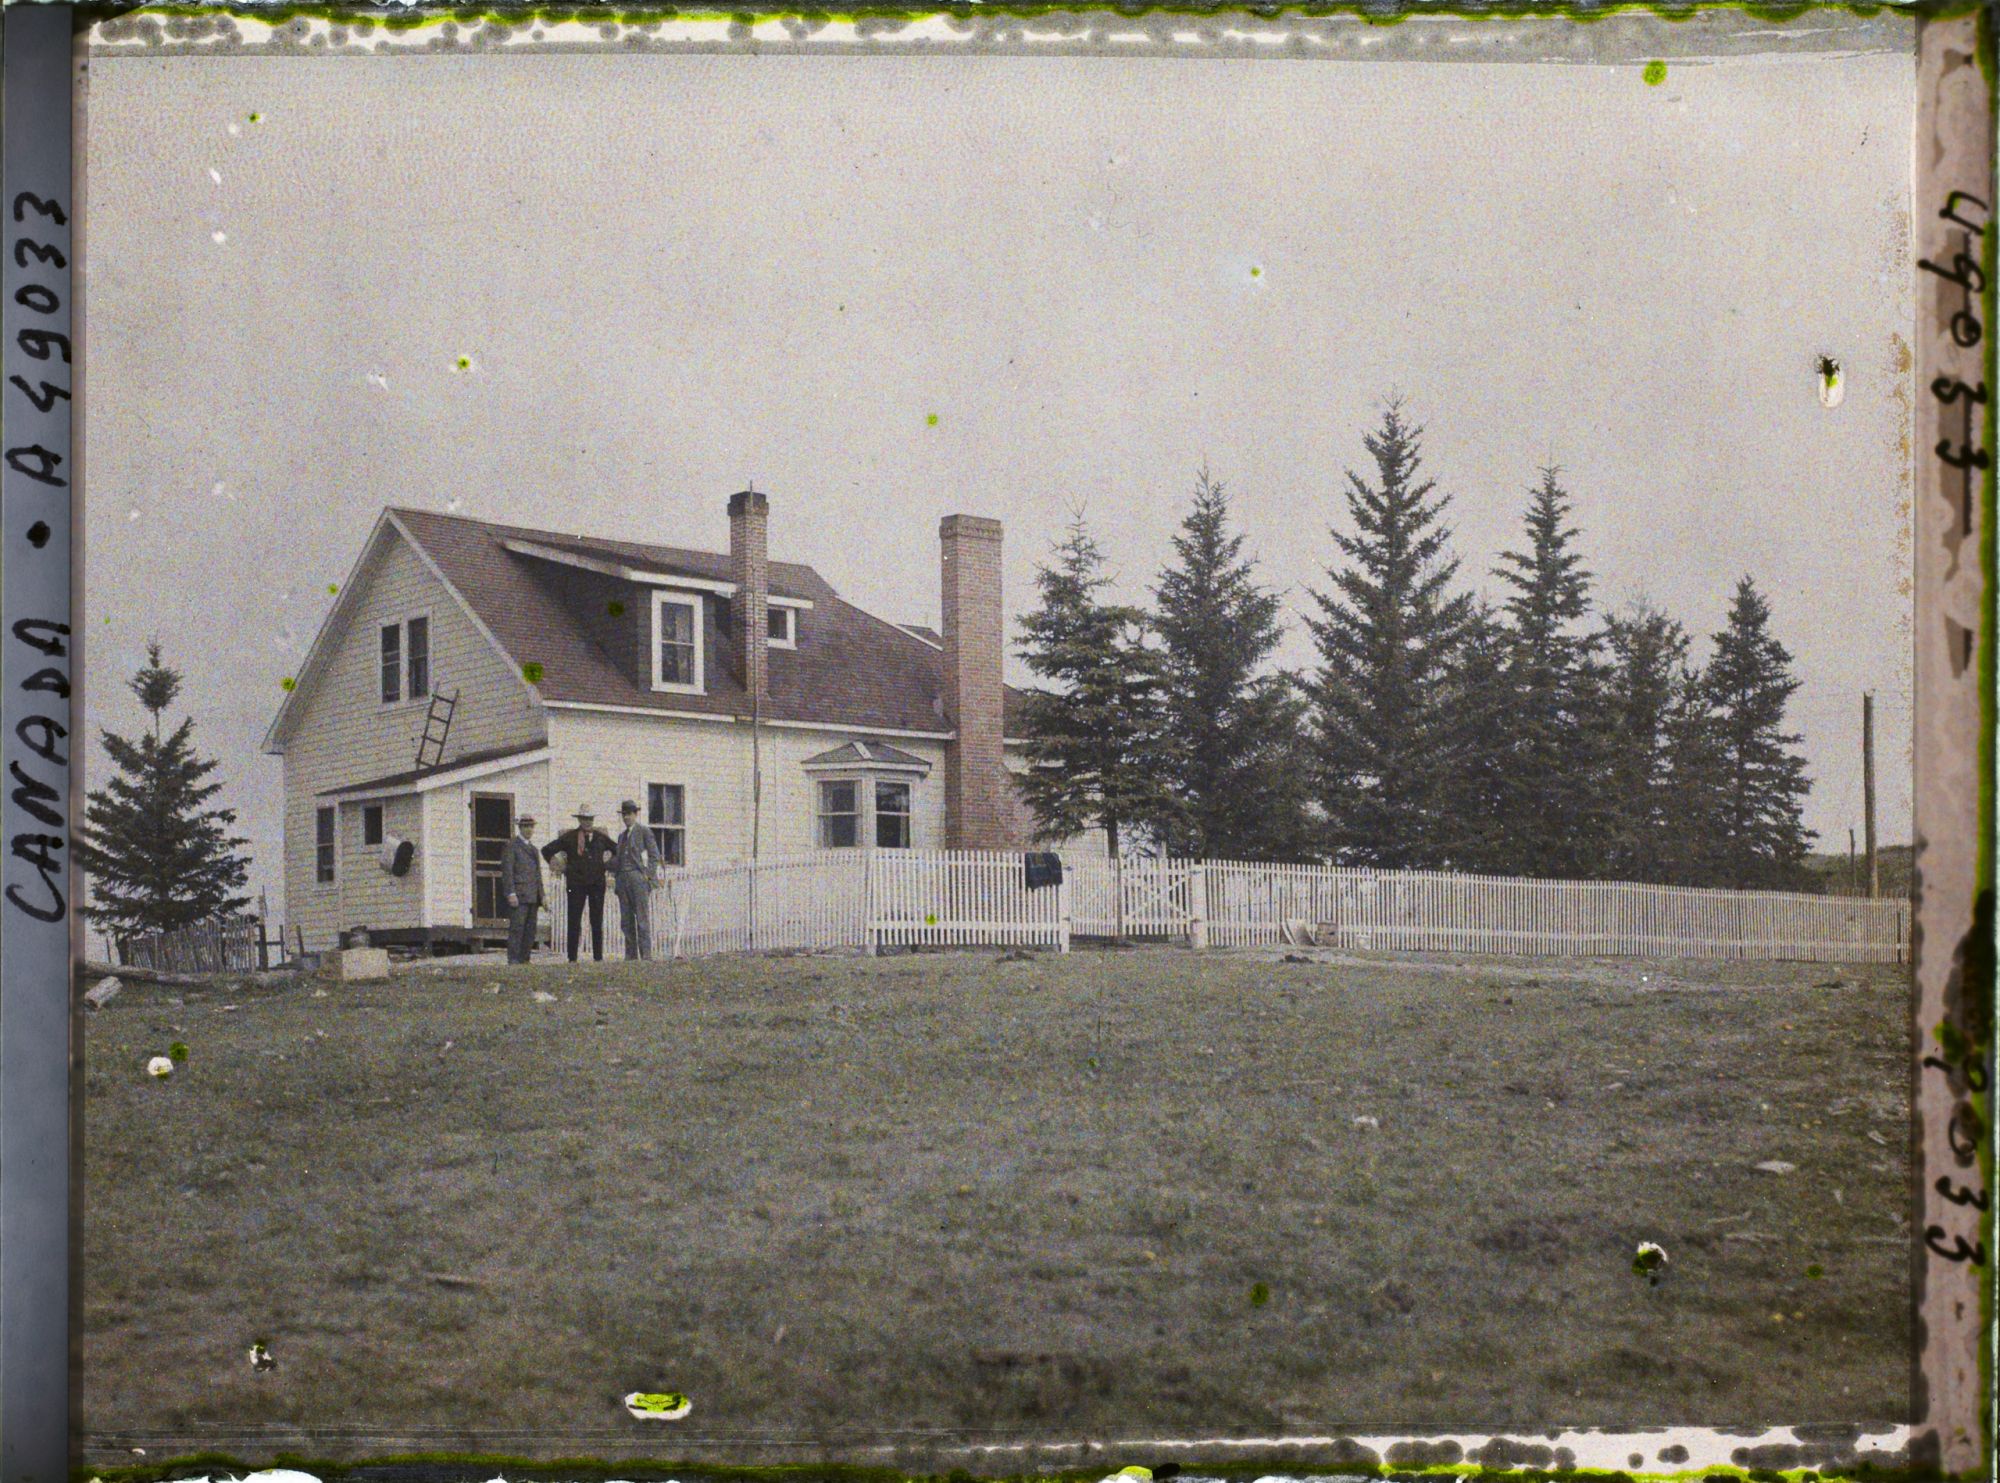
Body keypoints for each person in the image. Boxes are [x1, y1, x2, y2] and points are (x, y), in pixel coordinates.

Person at [543, 806, 617, 962]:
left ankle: (598, 958)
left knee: (597, 920)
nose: (588, 822)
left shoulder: (601, 837)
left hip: (597, 884)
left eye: (590, 819)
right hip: (576, 884)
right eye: (585, 819)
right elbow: (547, 850)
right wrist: (560, 866)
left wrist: (607, 865)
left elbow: (618, 850)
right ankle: (572, 958)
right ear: (579, 820)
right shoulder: (569, 837)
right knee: (574, 920)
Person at [612, 798, 666, 960]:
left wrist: (647, 876)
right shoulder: (621, 836)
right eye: (624, 815)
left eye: (629, 814)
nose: (626, 818)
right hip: (623, 879)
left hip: (638, 878)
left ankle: (646, 955)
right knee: (626, 919)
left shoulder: (644, 831)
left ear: (635, 814)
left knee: (641, 918)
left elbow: (654, 855)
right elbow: (618, 860)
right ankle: (630, 955)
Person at [501, 814, 544, 965]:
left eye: (531, 826)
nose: (529, 829)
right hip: (519, 895)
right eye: (526, 826)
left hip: (532, 896)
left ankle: (525, 959)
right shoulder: (512, 846)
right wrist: (511, 893)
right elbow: (508, 871)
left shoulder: (533, 849)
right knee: (517, 929)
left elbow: (538, 875)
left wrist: (542, 896)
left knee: (530, 930)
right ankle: (513, 959)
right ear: (520, 828)